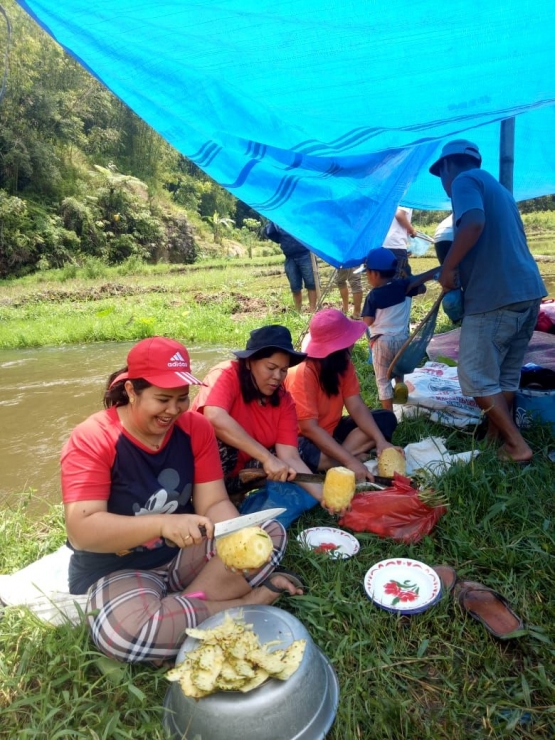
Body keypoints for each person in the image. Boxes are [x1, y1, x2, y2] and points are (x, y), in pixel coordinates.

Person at [61, 336, 302, 665]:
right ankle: (247, 604)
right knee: (123, 634)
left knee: (268, 533)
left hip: (184, 553)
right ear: (132, 391)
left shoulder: (196, 428)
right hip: (121, 566)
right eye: (162, 399)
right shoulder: (93, 438)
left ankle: (180, 609)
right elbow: (82, 530)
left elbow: (214, 503)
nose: (173, 411)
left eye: (181, 398)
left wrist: (234, 534)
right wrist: (162, 523)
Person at [430, 139, 547, 463]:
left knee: (477, 378)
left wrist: (450, 266)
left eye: (441, 174)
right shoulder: (499, 190)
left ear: (448, 166)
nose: (443, 182)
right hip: (527, 293)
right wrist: (445, 269)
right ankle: (497, 439)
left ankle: (517, 445)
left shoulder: (464, 181)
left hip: (495, 298)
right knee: (504, 375)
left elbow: (474, 222)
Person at [191, 325, 327, 518]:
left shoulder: (284, 400)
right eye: (271, 368)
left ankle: (233, 493)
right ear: (249, 363)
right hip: (203, 472)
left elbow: (289, 456)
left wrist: (323, 496)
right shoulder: (226, 374)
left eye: (283, 370)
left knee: (297, 454)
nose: (277, 377)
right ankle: (205, 501)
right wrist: (266, 458)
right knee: (216, 439)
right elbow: (214, 416)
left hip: (242, 472)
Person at [284, 308, 400, 481]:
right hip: (304, 437)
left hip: (331, 430)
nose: (353, 343)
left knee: (385, 419)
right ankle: (340, 459)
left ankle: (334, 460)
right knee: (302, 452)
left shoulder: (343, 365)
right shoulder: (302, 372)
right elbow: (309, 428)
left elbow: (356, 405)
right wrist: (351, 461)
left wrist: (379, 441)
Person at [359, 248, 439, 410]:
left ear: (374, 274)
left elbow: (367, 321)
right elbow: (423, 289)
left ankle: (388, 413)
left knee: (382, 379)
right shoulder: (405, 286)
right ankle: (400, 385)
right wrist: (408, 278)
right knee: (397, 365)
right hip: (403, 339)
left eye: (366, 273)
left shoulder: (373, 296)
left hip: (382, 341)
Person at [265, 222, 317, 312]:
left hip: (305, 254)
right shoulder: (278, 219)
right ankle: (298, 311)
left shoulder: (299, 216)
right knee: (295, 286)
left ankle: (312, 310)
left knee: (311, 284)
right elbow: (269, 232)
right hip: (289, 257)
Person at [383, 206, 417, 279]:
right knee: (397, 279)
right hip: (396, 244)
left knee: (385, 278)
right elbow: (399, 214)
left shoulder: (392, 197)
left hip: (384, 243)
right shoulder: (406, 197)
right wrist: (412, 230)